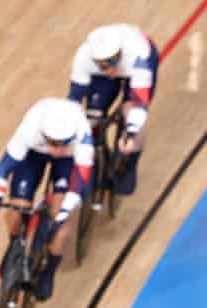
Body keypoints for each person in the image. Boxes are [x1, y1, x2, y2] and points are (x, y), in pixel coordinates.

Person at [0, 97, 94, 300]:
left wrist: (62, 214)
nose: (56, 149)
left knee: (60, 223)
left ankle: (49, 270)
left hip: (68, 162)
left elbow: (78, 184)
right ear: (44, 134)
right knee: (18, 205)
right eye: (52, 143)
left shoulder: (83, 137)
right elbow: (2, 170)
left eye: (62, 144)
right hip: (34, 154)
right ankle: (15, 244)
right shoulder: (30, 128)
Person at [67, 23, 159, 195]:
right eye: (103, 65)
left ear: (120, 54)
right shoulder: (83, 57)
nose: (110, 70)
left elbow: (139, 104)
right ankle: (92, 158)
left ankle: (129, 165)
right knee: (92, 114)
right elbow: (74, 102)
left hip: (137, 69)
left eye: (112, 63)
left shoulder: (139, 55)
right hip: (101, 78)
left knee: (131, 113)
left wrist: (131, 132)